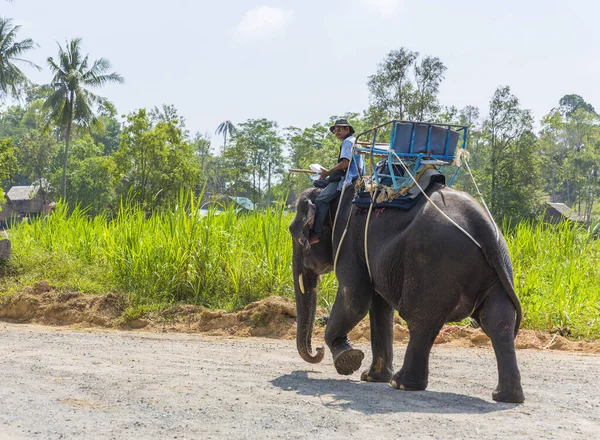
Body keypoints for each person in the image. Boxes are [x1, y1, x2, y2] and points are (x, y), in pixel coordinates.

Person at [310, 118, 363, 244]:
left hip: (350, 178)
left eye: (339, 130)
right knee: (319, 183)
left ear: (347, 129)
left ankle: (316, 233)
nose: (337, 133)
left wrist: (327, 173)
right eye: (335, 131)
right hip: (353, 175)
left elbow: (345, 163)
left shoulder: (347, 142)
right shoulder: (355, 141)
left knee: (321, 199)